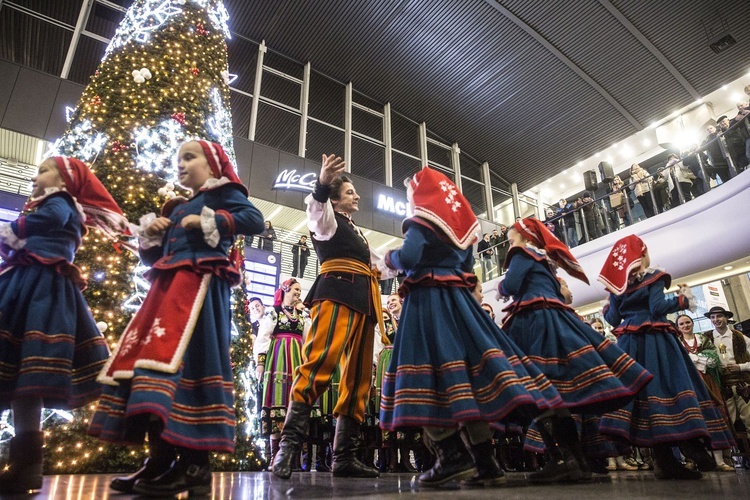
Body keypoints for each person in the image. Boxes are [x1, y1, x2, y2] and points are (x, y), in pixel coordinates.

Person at [89, 140, 265, 497]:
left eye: (190, 157)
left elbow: (254, 221)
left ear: (213, 165)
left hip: (199, 292)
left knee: (194, 365)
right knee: (151, 368)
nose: (181, 164)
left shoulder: (222, 193)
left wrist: (210, 219)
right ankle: (160, 461)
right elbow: (155, 259)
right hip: (167, 296)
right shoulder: (176, 206)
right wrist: (151, 238)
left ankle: (194, 466)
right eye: (178, 158)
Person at [380, 167, 565, 488]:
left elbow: (410, 256)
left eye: (411, 189)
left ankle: (452, 457)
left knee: (433, 378)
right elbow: (467, 269)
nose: (409, 194)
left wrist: (388, 258)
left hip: (428, 304)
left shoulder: (421, 221)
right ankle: (485, 462)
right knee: (466, 380)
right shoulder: (462, 229)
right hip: (461, 306)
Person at [0, 156, 129, 494]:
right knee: (23, 386)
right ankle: (26, 467)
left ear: (64, 182)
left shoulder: (60, 203)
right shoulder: (53, 204)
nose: (34, 176)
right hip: (27, 287)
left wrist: (15, 229)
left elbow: (53, 218)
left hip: (38, 293)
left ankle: (27, 466)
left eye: (42, 170)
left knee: (25, 381)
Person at [497, 218, 652, 483]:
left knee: (537, 390)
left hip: (533, 323)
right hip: (556, 320)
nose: (510, 245)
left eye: (512, 240)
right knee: (556, 398)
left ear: (525, 238)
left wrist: (501, 287)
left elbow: (511, 286)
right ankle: (575, 460)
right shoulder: (545, 262)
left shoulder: (521, 254)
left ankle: (560, 461)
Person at [272, 154, 388, 480]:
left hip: (365, 303)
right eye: (350, 192)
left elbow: (384, 263)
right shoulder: (327, 220)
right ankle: (288, 449)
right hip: (336, 293)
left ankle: (344, 457)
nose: (357, 196)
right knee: (319, 362)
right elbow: (315, 208)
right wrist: (322, 184)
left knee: (359, 378)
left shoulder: (356, 231)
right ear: (336, 200)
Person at [597, 235, 734, 480]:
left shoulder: (619, 286)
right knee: (673, 386)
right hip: (654, 339)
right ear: (642, 254)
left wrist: (607, 306)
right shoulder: (653, 277)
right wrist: (683, 299)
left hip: (630, 343)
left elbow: (614, 319)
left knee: (646, 397)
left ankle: (666, 460)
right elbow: (657, 308)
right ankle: (691, 447)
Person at [253, 278, 310, 468]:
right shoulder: (273, 312)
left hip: (297, 360)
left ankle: (293, 459)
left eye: (300, 290)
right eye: (295, 289)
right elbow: (263, 337)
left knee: (294, 401)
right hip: (278, 359)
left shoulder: (302, 316)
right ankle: (275, 456)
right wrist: (260, 363)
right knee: (277, 402)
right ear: (285, 289)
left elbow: (308, 338)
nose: (298, 293)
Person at [677, 313, 735, 471]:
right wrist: (696, 359)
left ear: (692, 323)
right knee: (695, 420)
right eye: (681, 324)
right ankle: (699, 460)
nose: (685, 326)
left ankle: (723, 459)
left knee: (715, 417)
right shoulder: (677, 343)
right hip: (689, 385)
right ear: (678, 327)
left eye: (687, 322)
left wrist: (692, 358)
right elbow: (680, 363)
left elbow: (713, 358)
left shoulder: (703, 339)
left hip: (708, 383)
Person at [703, 306, 750, 438]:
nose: (716, 319)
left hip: (743, 384)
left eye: (719, 316)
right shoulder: (706, 338)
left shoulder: (740, 337)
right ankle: (729, 457)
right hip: (721, 387)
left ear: (726, 318)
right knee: (725, 425)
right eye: (713, 317)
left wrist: (741, 367)